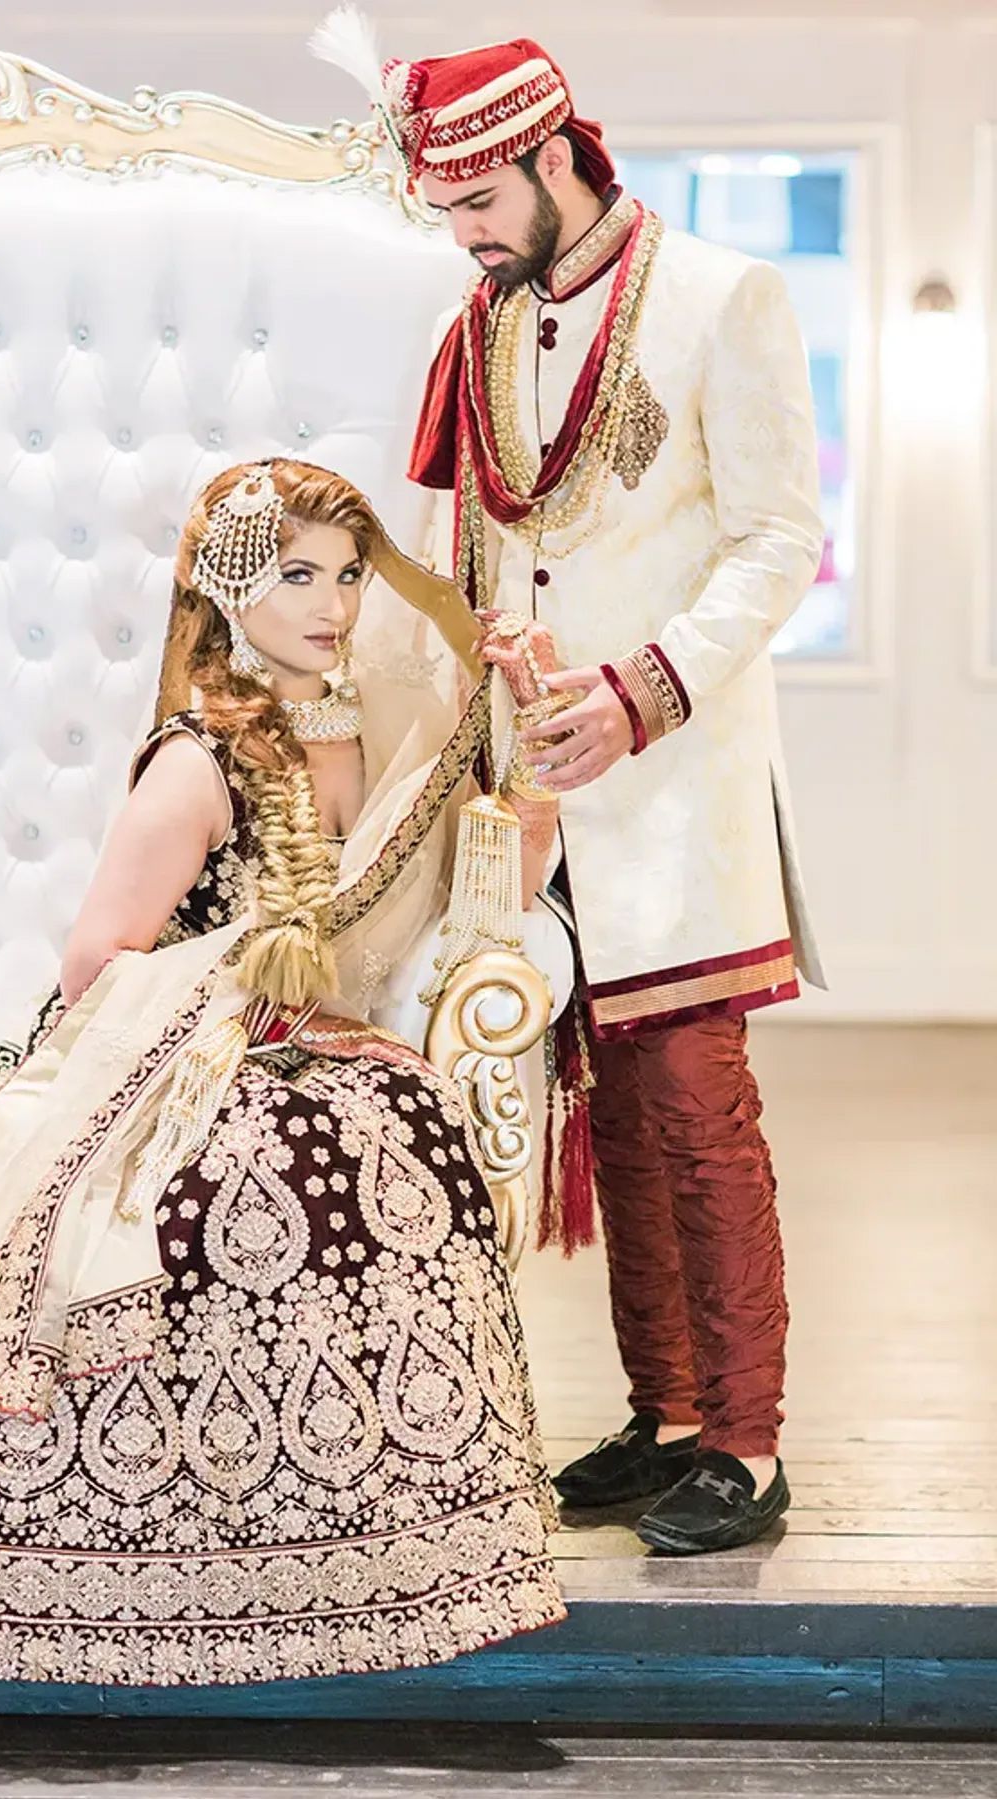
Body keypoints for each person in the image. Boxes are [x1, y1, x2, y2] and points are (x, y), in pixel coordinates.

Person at [0, 458, 565, 1685]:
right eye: (297, 574)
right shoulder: (200, 759)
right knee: (208, 1199)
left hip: (319, 1049)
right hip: (182, 1060)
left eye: (349, 576)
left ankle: (345, 1542)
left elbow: (457, 908)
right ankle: (137, 1554)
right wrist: (240, 988)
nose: (332, 604)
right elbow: (97, 958)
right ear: (229, 582)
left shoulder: (377, 734)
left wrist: (529, 795)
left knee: (396, 1137)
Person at [313, 13, 826, 1554]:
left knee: (697, 1111)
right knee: (604, 1114)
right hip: (532, 790)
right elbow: (486, 537)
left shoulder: (726, 296)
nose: (464, 238)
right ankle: (664, 1417)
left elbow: (780, 540)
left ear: (553, 157)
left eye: (479, 204)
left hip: (669, 778)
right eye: (445, 212)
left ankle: (747, 1444)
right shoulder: (485, 322)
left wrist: (637, 691)